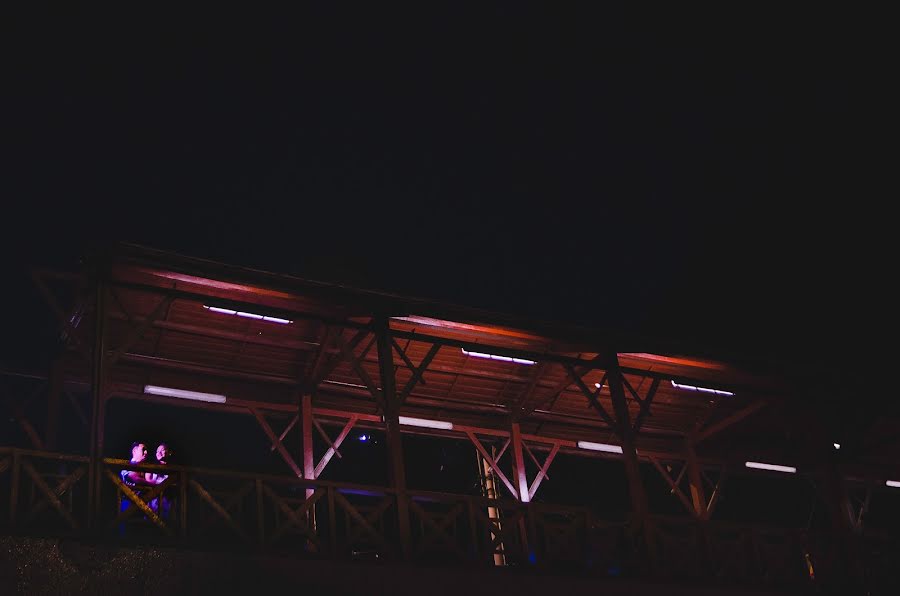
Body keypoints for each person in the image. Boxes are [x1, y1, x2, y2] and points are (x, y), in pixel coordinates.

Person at [147, 443, 172, 519]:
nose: (159, 453)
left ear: (169, 453)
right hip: (153, 502)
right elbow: (148, 480)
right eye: (157, 451)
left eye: (162, 450)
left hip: (166, 501)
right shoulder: (151, 467)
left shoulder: (173, 469)